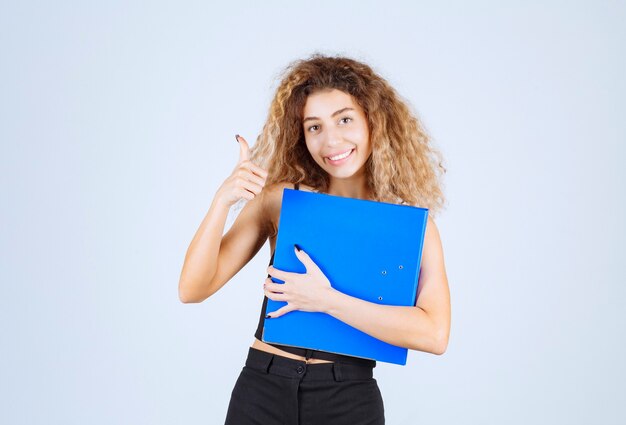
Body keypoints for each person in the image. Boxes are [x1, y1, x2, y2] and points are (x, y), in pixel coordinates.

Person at [178, 53, 451, 425]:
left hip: (348, 398)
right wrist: (222, 201)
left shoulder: (408, 226)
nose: (331, 140)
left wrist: (325, 300)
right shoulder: (279, 200)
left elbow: (434, 334)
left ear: (374, 122)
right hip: (262, 388)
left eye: (344, 119)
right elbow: (193, 288)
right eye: (314, 127)